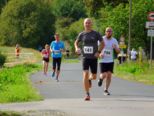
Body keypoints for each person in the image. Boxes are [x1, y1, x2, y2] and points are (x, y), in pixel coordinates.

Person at [74, 18, 104, 101]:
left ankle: (89, 79)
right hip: (85, 57)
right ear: (84, 24)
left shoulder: (96, 34)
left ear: (91, 24)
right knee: (85, 73)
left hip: (94, 57)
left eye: (89, 23)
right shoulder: (81, 34)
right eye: (86, 23)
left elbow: (102, 43)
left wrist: (98, 52)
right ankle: (87, 94)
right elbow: (76, 42)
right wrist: (76, 48)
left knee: (94, 76)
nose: (87, 24)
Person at [98, 27, 120, 96]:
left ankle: (106, 90)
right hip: (102, 60)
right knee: (104, 74)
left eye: (110, 31)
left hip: (110, 60)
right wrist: (99, 54)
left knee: (109, 75)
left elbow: (118, 51)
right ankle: (100, 79)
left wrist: (115, 47)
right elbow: (96, 48)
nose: (109, 32)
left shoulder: (114, 40)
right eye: (107, 31)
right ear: (105, 32)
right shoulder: (102, 39)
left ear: (112, 32)